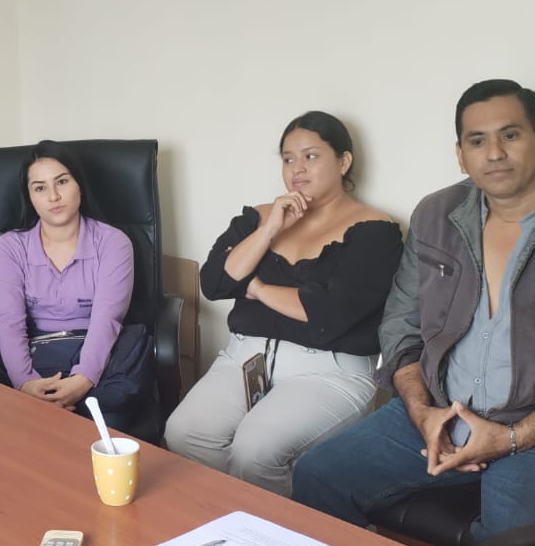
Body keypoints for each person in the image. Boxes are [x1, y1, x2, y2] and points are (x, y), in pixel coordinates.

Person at [292, 80, 535, 546]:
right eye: (477, 140)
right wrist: (422, 412)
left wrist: (511, 437)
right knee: (318, 474)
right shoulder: (436, 215)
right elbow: (401, 326)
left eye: (510, 135)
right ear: (460, 155)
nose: (495, 153)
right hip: (440, 411)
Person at [163, 112, 401, 495]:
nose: (297, 169)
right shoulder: (258, 217)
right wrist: (271, 227)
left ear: (343, 161)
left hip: (328, 370)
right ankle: (234, 517)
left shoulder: (375, 229)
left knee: (254, 450)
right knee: (183, 432)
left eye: (311, 156)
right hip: (245, 359)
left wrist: (255, 288)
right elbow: (215, 282)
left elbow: (329, 312)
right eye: (288, 159)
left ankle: (286, 525)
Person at [0, 141, 155, 431]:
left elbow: (107, 319)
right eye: (40, 188)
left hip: (97, 354)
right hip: (33, 352)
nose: (53, 196)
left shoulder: (113, 242)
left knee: (104, 424)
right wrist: (25, 383)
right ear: (29, 196)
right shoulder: (9, 247)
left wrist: (82, 381)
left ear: (79, 184)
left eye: (62, 182)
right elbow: (9, 322)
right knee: (5, 426)